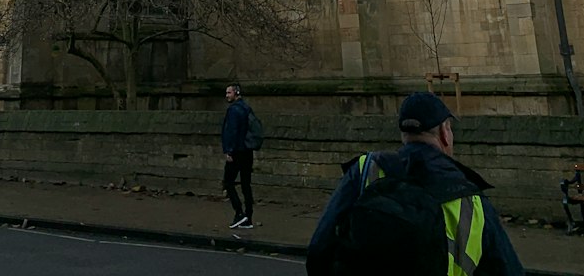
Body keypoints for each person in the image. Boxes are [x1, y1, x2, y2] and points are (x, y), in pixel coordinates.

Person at [305, 92, 524, 276]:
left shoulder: (366, 170)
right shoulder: (469, 196)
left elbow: (318, 252)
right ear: (444, 134)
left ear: (404, 135)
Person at [221, 82, 254, 229]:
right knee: (246, 184)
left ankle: (239, 213)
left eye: (229, 93)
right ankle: (248, 217)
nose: (227, 95)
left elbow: (231, 132)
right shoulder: (247, 108)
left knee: (228, 182)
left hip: (236, 152)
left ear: (236, 93)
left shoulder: (233, 110)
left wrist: (229, 151)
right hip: (248, 151)